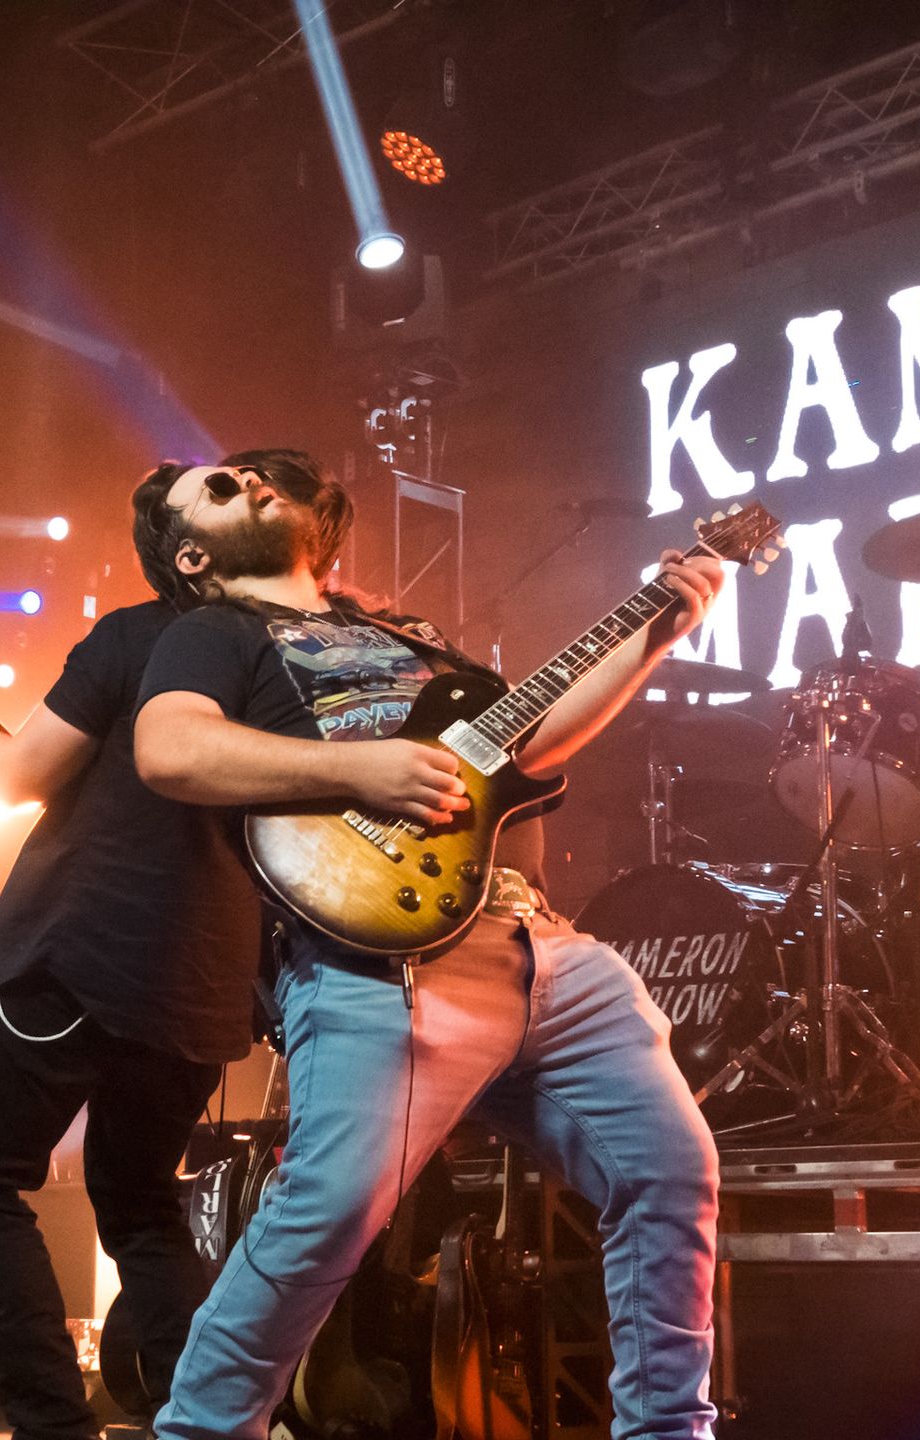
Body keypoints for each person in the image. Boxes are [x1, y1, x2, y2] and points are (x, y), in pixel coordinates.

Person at [129, 462, 726, 1440]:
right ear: (192, 556)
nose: (250, 479)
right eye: (220, 488)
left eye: (255, 474)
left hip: (538, 943)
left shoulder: (414, 643)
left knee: (670, 1173)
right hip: (378, 955)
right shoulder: (216, 633)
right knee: (328, 1211)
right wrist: (364, 768)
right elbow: (171, 750)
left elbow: (529, 748)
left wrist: (653, 634)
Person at [0, 452, 347, 1440]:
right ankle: (216, 1420)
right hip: (204, 987)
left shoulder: (142, 636)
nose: (248, 484)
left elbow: (12, 775)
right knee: (141, 1203)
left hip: (75, 954)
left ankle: (53, 1427)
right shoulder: (312, 654)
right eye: (224, 484)